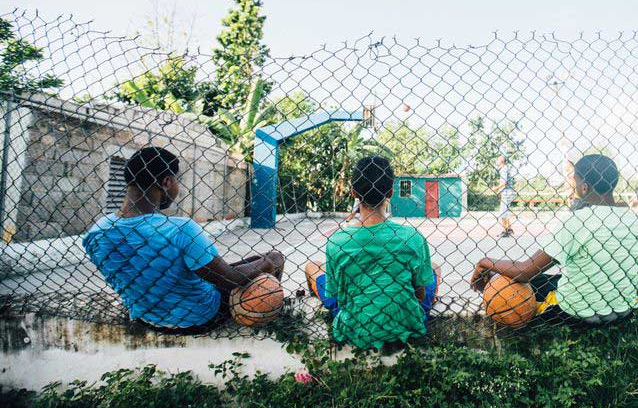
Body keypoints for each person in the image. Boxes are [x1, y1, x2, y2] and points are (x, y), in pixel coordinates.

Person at [83, 146, 284, 334]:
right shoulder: (180, 229)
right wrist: (269, 261)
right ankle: (265, 315)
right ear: (166, 182)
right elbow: (229, 279)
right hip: (200, 318)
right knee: (269, 259)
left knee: (238, 265)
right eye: (177, 181)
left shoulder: (97, 232)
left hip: (147, 317)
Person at [471, 154, 638, 326]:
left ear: (584, 186)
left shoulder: (576, 221)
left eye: (575, 180)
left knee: (514, 283)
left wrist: (485, 262)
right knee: (557, 278)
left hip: (575, 313)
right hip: (625, 311)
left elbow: (525, 272)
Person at [304, 156, 439, 349]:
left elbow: (336, 293)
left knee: (313, 266)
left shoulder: (337, 241)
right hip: (406, 323)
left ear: (354, 193)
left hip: (354, 325)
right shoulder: (412, 237)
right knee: (434, 268)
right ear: (391, 193)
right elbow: (419, 294)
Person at [493, 155, 516, 237]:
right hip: (508, 191)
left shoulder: (503, 169)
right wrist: (500, 191)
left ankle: (505, 231)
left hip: (507, 192)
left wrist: (495, 188)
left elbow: (504, 182)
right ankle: (509, 229)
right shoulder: (505, 168)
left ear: (502, 160)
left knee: (503, 212)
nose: (497, 161)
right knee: (504, 211)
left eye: (498, 159)